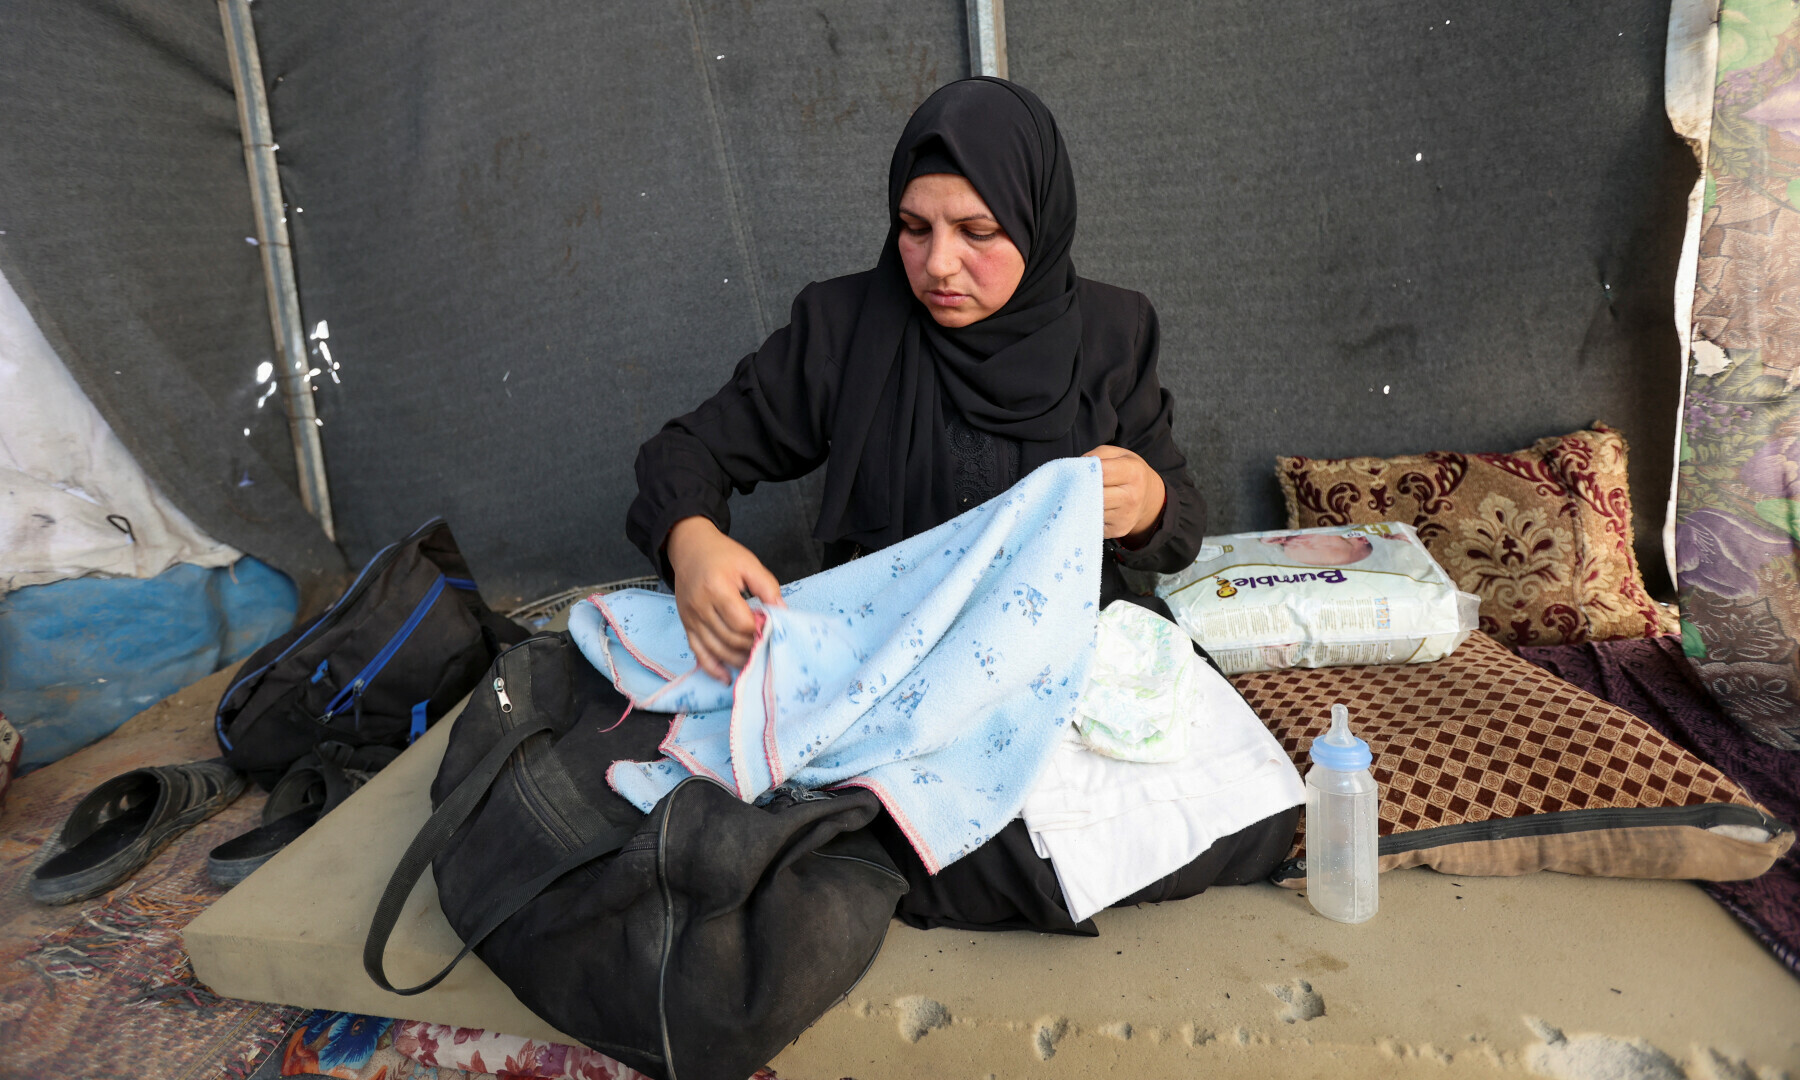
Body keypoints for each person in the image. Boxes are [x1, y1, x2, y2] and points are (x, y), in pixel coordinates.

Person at [627, 77, 1296, 933]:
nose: (938, 264)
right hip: (898, 667)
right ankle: (899, 844)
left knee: (1256, 811)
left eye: (978, 232)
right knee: (963, 839)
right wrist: (692, 544)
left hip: (1060, 666)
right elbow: (685, 451)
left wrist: (1149, 501)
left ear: (1037, 221)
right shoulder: (845, 329)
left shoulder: (1112, 334)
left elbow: (1181, 529)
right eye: (915, 228)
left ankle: (883, 850)